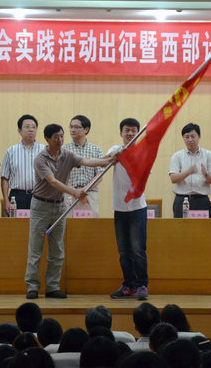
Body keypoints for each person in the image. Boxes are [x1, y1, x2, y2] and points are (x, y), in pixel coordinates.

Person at [24, 123, 112, 299]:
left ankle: (52, 287)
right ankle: (32, 287)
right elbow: (53, 181)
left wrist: (109, 160)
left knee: (57, 249)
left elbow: (87, 162)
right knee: (36, 248)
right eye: (56, 137)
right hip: (40, 206)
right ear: (47, 139)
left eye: (62, 136)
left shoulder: (67, 154)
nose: (60, 140)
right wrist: (74, 192)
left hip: (59, 206)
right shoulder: (40, 159)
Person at [107, 118, 149, 300]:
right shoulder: (115, 149)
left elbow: (142, 173)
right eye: (127, 130)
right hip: (119, 209)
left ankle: (142, 285)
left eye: (134, 130)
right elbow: (105, 162)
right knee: (124, 251)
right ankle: (129, 285)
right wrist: (117, 155)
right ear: (121, 133)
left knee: (138, 250)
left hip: (137, 209)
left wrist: (130, 156)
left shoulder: (143, 152)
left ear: (138, 133)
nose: (130, 133)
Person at [168, 123, 211, 217]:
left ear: (199, 137)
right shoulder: (177, 156)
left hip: (202, 201)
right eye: (187, 137)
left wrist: (206, 174)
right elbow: (173, 179)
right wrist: (188, 172)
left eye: (193, 136)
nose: (190, 140)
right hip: (181, 200)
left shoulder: (209, 155)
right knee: (180, 226)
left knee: (202, 227)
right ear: (183, 138)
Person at [1, 115, 46, 214]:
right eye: (27, 127)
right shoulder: (11, 151)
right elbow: (4, 178)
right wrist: (6, 201)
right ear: (19, 131)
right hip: (17, 197)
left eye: (34, 127)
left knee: (39, 223)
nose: (31, 130)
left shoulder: (44, 150)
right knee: (17, 224)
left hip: (40, 196)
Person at [63, 114, 104, 217]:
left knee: (90, 225)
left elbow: (99, 176)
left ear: (86, 129)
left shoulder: (96, 150)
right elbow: (60, 175)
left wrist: (85, 190)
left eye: (76, 127)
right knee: (69, 225)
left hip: (90, 194)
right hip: (69, 194)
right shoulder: (63, 150)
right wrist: (74, 192)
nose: (72, 130)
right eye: (71, 127)